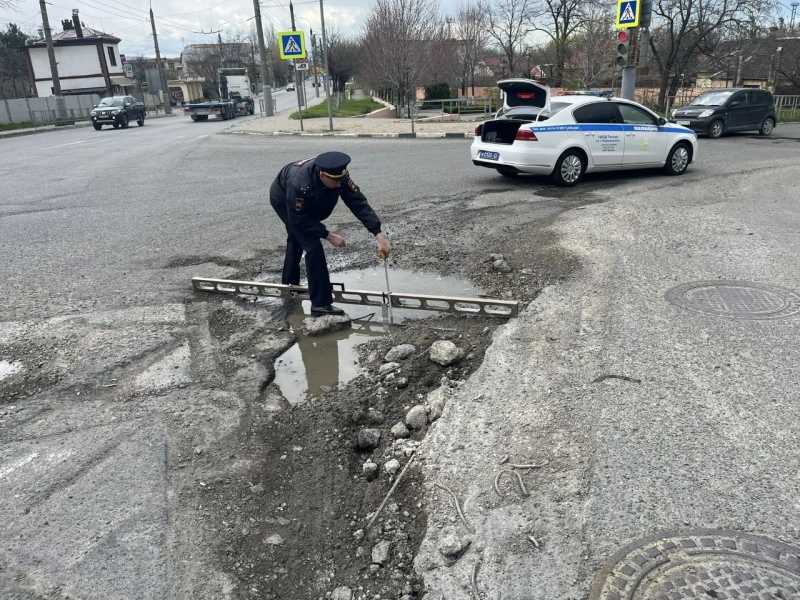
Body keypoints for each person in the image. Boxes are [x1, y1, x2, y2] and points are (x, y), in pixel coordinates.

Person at [269, 151, 390, 316]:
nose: (340, 185)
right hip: (284, 199)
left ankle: (289, 285)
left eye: (341, 180)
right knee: (312, 246)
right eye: (335, 182)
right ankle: (320, 305)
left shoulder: (339, 177)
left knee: (296, 238)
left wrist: (378, 234)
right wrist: (328, 235)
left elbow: (357, 202)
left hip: (308, 204)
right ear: (322, 175)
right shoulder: (300, 184)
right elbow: (300, 219)